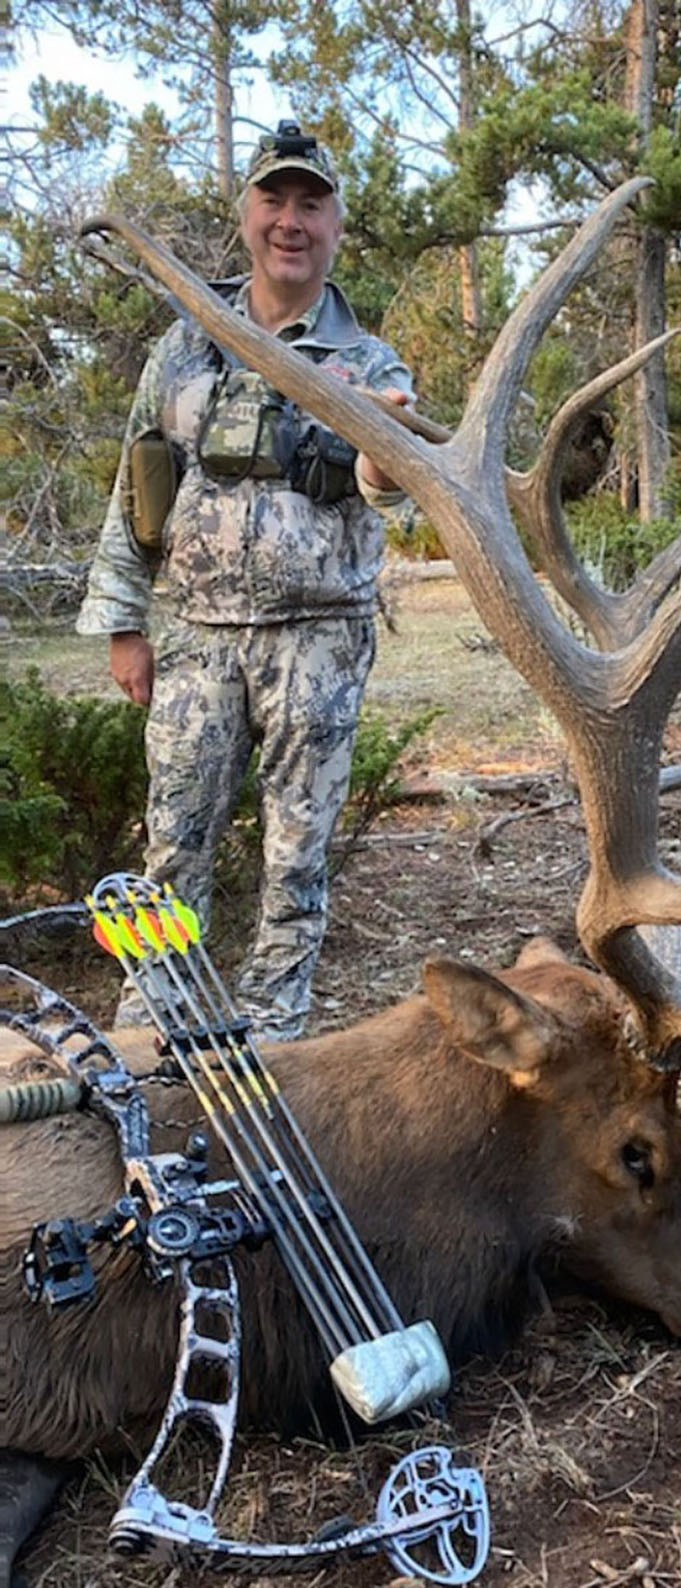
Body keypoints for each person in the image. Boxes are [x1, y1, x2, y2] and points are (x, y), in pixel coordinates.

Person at [77, 121, 414, 1039]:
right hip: (195, 638)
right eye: (275, 200)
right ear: (247, 213)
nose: (291, 222)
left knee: (296, 855)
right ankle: (151, 1020)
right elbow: (137, 484)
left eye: (312, 205)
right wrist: (123, 622)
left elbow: (397, 497)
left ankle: (273, 1034)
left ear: (337, 225)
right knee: (172, 843)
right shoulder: (185, 347)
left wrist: (386, 451)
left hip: (320, 641)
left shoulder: (371, 366)